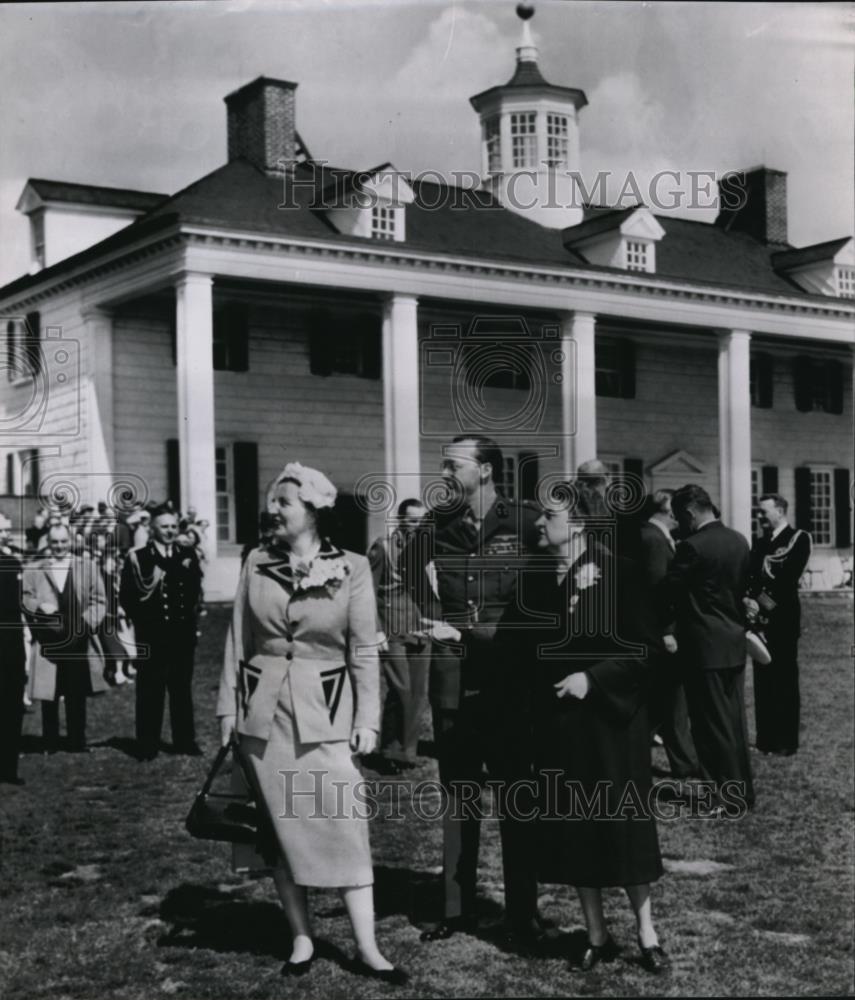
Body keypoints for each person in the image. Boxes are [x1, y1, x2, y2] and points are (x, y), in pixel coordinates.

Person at [217, 463, 406, 984]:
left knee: (345, 827)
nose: (272, 511)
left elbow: (364, 649)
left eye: (283, 503)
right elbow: (238, 639)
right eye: (273, 502)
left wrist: (369, 717)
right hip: (263, 717)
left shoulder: (352, 567)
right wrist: (228, 709)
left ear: (314, 512)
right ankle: (301, 938)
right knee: (279, 831)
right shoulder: (255, 562)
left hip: (328, 715)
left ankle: (367, 946)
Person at [507, 482, 668, 973]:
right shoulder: (534, 580)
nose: (537, 521)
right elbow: (520, 651)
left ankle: (646, 933)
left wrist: (592, 679)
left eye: (548, 515)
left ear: (576, 523)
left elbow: (646, 650)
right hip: (561, 729)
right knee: (577, 830)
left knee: (623, 830)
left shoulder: (620, 574)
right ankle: (595, 933)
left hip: (613, 726)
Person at [403, 435, 541, 949]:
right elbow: (411, 579)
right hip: (455, 681)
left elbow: (544, 595)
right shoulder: (433, 527)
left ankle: (521, 914)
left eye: (452, 465)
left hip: (509, 683)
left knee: (517, 799)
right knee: (459, 799)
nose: (442, 473)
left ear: (484, 471)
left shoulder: (525, 522)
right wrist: (436, 620)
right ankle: (456, 910)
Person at [661, 485, 754, 814]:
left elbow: (668, 592)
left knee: (709, 725)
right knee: (733, 722)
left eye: (678, 515)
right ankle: (742, 792)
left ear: (689, 513)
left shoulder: (691, 547)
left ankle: (722, 796)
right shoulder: (739, 541)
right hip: (733, 641)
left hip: (703, 646)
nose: (677, 522)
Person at [120, 503, 203, 760]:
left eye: (173, 526)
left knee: (181, 689)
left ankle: (184, 741)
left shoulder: (187, 554)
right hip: (151, 635)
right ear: (152, 530)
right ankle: (147, 744)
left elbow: (194, 592)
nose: (169, 531)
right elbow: (127, 596)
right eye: (164, 527)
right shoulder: (139, 557)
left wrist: (188, 621)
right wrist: (145, 622)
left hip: (181, 635)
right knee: (149, 690)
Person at [22, 524, 107, 753]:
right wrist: (40, 606)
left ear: (71, 541)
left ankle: (76, 740)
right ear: (48, 543)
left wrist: (86, 623)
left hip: (78, 637)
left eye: (63, 541)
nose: (59, 546)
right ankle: (50, 741)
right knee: (49, 690)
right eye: (55, 542)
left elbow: (99, 600)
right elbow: (25, 599)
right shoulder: (34, 569)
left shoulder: (87, 566)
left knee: (76, 689)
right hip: (48, 637)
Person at [638, 489, 699, 781]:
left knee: (660, 700)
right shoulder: (652, 538)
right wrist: (667, 631)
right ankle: (685, 764)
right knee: (673, 699)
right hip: (661, 633)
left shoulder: (656, 536)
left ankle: (640, 755)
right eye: (675, 508)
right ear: (666, 510)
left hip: (658, 632)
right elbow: (656, 589)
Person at [368, 497, 431, 772]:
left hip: (420, 626)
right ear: (400, 520)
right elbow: (366, 593)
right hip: (392, 625)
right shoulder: (382, 547)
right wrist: (376, 630)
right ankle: (389, 750)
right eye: (412, 520)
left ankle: (407, 752)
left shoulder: (427, 549)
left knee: (418, 692)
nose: (417, 526)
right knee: (401, 688)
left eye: (421, 521)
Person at [746, 494, 811, 757]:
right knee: (763, 679)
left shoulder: (798, 539)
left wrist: (760, 602)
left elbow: (787, 580)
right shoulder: (760, 542)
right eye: (759, 513)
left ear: (781, 511)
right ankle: (766, 740)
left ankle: (785, 741)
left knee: (783, 679)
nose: (760, 517)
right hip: (759, 620)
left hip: (782, 620)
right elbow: (751, 576)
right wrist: (750, 601)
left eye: (765, 512)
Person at [0, 512, 27, 783]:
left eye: (6, 530)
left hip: (10, 646)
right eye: (1, 530)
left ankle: (8, 768)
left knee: (10, 705)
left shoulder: (12, 564)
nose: (5, 535)